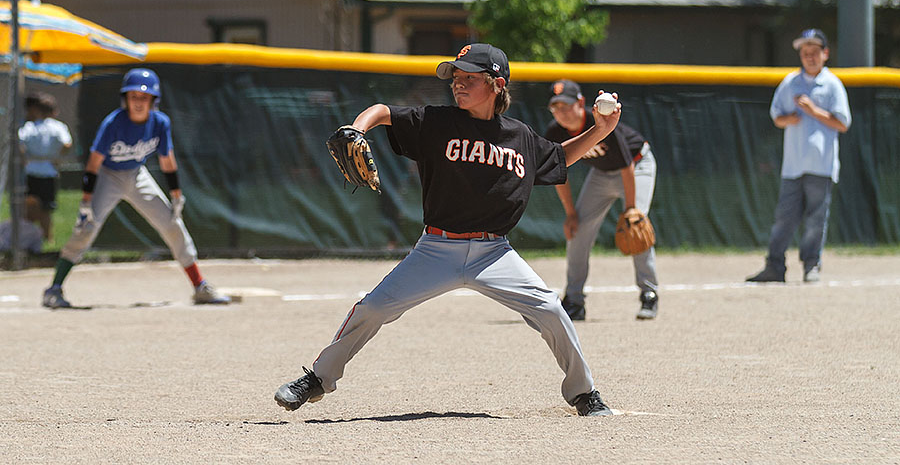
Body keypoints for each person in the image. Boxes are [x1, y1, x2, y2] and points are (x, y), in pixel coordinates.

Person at [274, 43, 622, 416]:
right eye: (455, 77)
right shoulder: (437, 122)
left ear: (497, 84)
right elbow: (384, 112)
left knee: (552, 309)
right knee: (372, 307)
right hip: (436, 249)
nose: (458, 83)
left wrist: (601, 130)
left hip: (495, 254)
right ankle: (318, 378)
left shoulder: (519, 136)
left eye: (469, 77)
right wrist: (357, 128)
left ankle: (584, 393)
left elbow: (557, 158)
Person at [41, 68, 230, 308]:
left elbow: (167, 160)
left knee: (172, 224)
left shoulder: (160, 122)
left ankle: (199, 286)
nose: (138, 102)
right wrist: (86, 200)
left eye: (144, 97)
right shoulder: (113, 123)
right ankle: (54, 289)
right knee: (86, 229)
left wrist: (176, 193)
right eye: (133, 97)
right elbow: (94, 163)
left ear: (153, 100)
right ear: (125, 99)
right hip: (108, 176)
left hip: (137, 175)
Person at [543, 80, 659, 321]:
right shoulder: (555, 132)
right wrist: (571, 213)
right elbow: (558, 172)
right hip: (601, 174)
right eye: (556, 107)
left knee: (636, 226)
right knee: (578, 230)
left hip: (638, 166)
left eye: (566, 105)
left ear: (581, 103)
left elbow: (627, 167)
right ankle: (574, 300)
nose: (561, 112)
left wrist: (630, 209)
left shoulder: (600, 123)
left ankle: (649, 293)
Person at [746, 29, 851, 283]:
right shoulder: (790, 82)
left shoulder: (832, 84)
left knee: (816, 220)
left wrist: (814, 111)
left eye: (815, 52)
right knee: (784, 218)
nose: (810, 57)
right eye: (805, 53)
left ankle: (811, 266)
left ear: (825, 54)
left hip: (821, 165)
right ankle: (774, 267)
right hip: (793, 165)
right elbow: (777, 117)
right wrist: (788, 118)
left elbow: (843, 123)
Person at [18, 92, 73, 242]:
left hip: (31, 171)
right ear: (54, 111)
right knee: (46, 209)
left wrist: (25, 159)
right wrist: (58, 157)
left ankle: (28, 238)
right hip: (49, 172)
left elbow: (20, 143)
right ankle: (48, 238)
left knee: (28, 208)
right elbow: (67, 143)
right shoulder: (58, 127)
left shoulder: (30, 126)